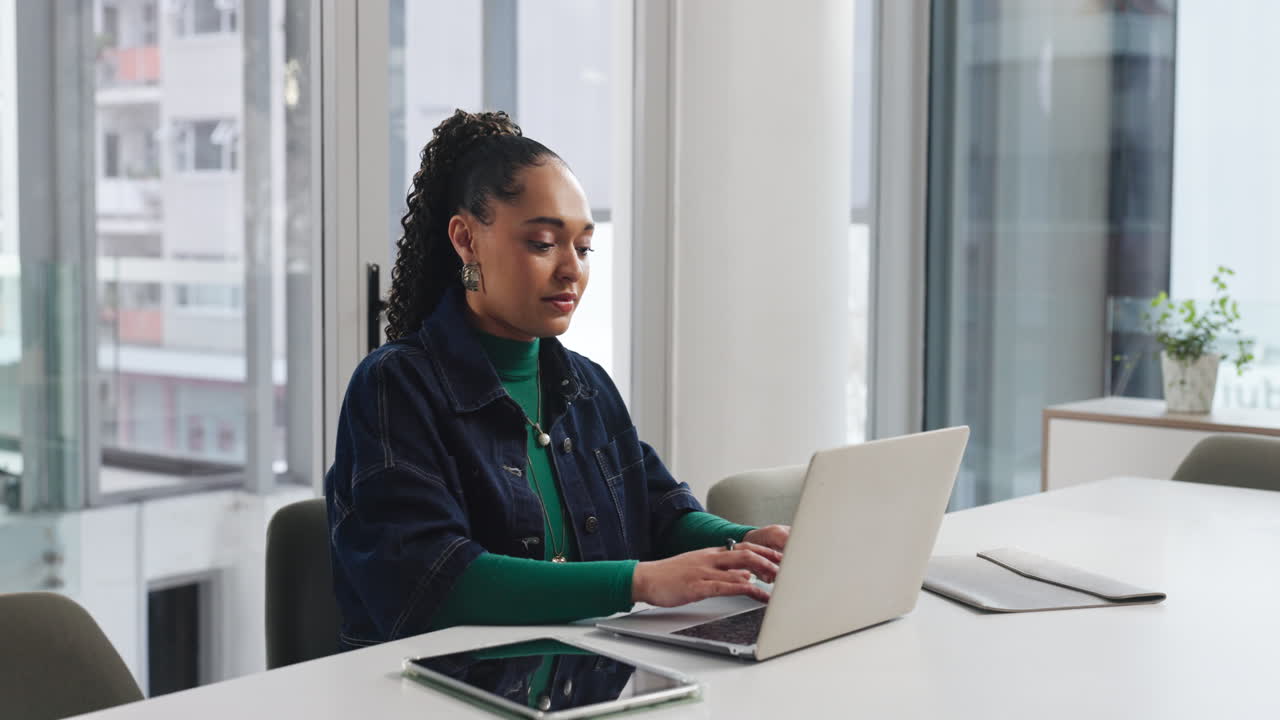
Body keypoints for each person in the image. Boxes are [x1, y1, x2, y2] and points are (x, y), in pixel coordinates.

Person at [325, 109, 790, 650]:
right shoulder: (395, 386)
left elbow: (660, 510)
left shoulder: (585, 384)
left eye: (584, 247)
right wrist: (636, 582)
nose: (572, 268)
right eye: (544, 243)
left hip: (582, 677)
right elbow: (431, 582)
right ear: (466, 240)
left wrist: (746, 543)